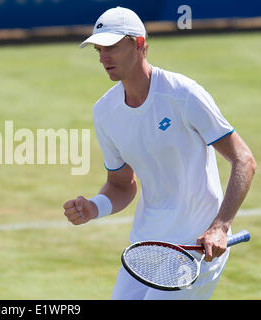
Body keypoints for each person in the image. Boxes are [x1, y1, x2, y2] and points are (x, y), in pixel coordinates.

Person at [63, 6, 257, 299]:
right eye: (99, 50)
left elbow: (244, 160)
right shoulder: (104, 111)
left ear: (139, 44)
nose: (103, 58)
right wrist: (94, 207)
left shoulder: (183, 94)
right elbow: (121, 184)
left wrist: (220, 226)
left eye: (111, 47)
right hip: (145, 248)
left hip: (196, 250)